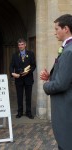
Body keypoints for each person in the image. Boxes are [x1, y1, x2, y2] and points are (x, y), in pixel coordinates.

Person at [40, 14, 72, 150]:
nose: (54, 32)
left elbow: (61, 84)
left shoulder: (69, 51)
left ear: (66, 29)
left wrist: (46, 85)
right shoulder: (67, 48)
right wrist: (51, 76)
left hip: (66, 107)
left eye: (57, 29)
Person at [10, 38, 36, 119]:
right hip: (18, 79)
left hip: (28, 78)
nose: (20, 46)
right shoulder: (15, 55)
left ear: (25, 45)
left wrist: (28, 72)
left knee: (28, 96)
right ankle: (20, 112)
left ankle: (28, 112)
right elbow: (11, 66)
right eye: (19, 45)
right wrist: (12, 73)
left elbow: (33, 65)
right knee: (19, 96)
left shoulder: (31, 54)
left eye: (22, 44)